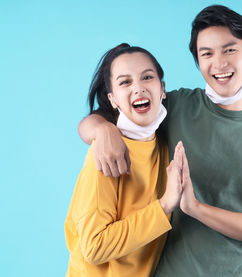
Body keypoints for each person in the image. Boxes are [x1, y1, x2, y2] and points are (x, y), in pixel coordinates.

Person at [78, 5, 242, 276]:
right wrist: (104, 131)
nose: (219, 63)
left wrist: (195, 208)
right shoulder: (177, 106)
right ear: (197, 60)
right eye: (206, 53)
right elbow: (99, 118)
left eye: (229, 49)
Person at [65, 43, 184, 276]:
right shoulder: (105, 153)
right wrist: (165, 206)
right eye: (125, 82)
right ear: (113, 99)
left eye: (147, 77)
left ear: (162, 88)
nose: (138, 89)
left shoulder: (163, 144)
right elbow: (94, 246)